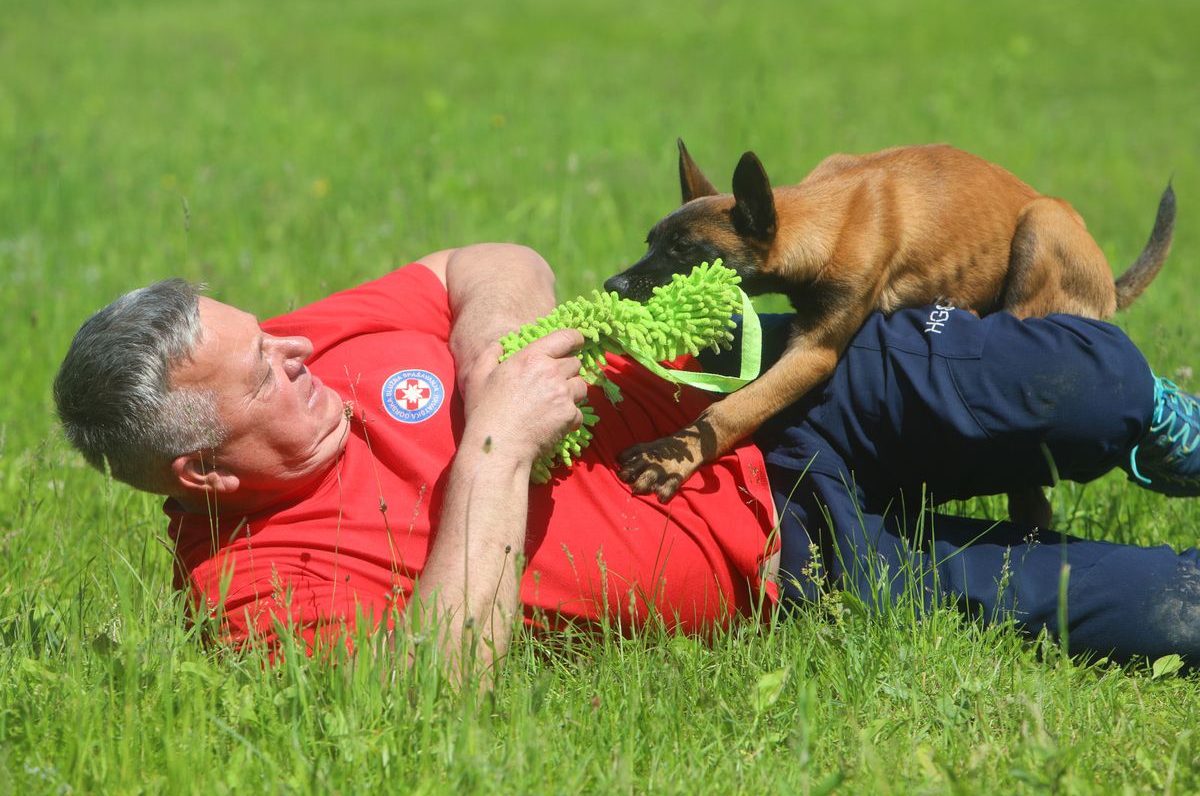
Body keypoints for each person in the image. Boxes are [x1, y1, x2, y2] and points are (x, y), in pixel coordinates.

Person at [54, 243, 1200, 676]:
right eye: (262, 375)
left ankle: (1160, 435)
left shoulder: (311, 340)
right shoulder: (245, 587)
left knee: (1092, 382)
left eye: (271, 332)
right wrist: (491, 449)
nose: (300, 349)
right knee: (1171, 610)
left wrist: (487, 350)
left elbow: (487, 257)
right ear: (204, 473)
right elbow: (430, 688)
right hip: (793, 557)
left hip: (750, 394)